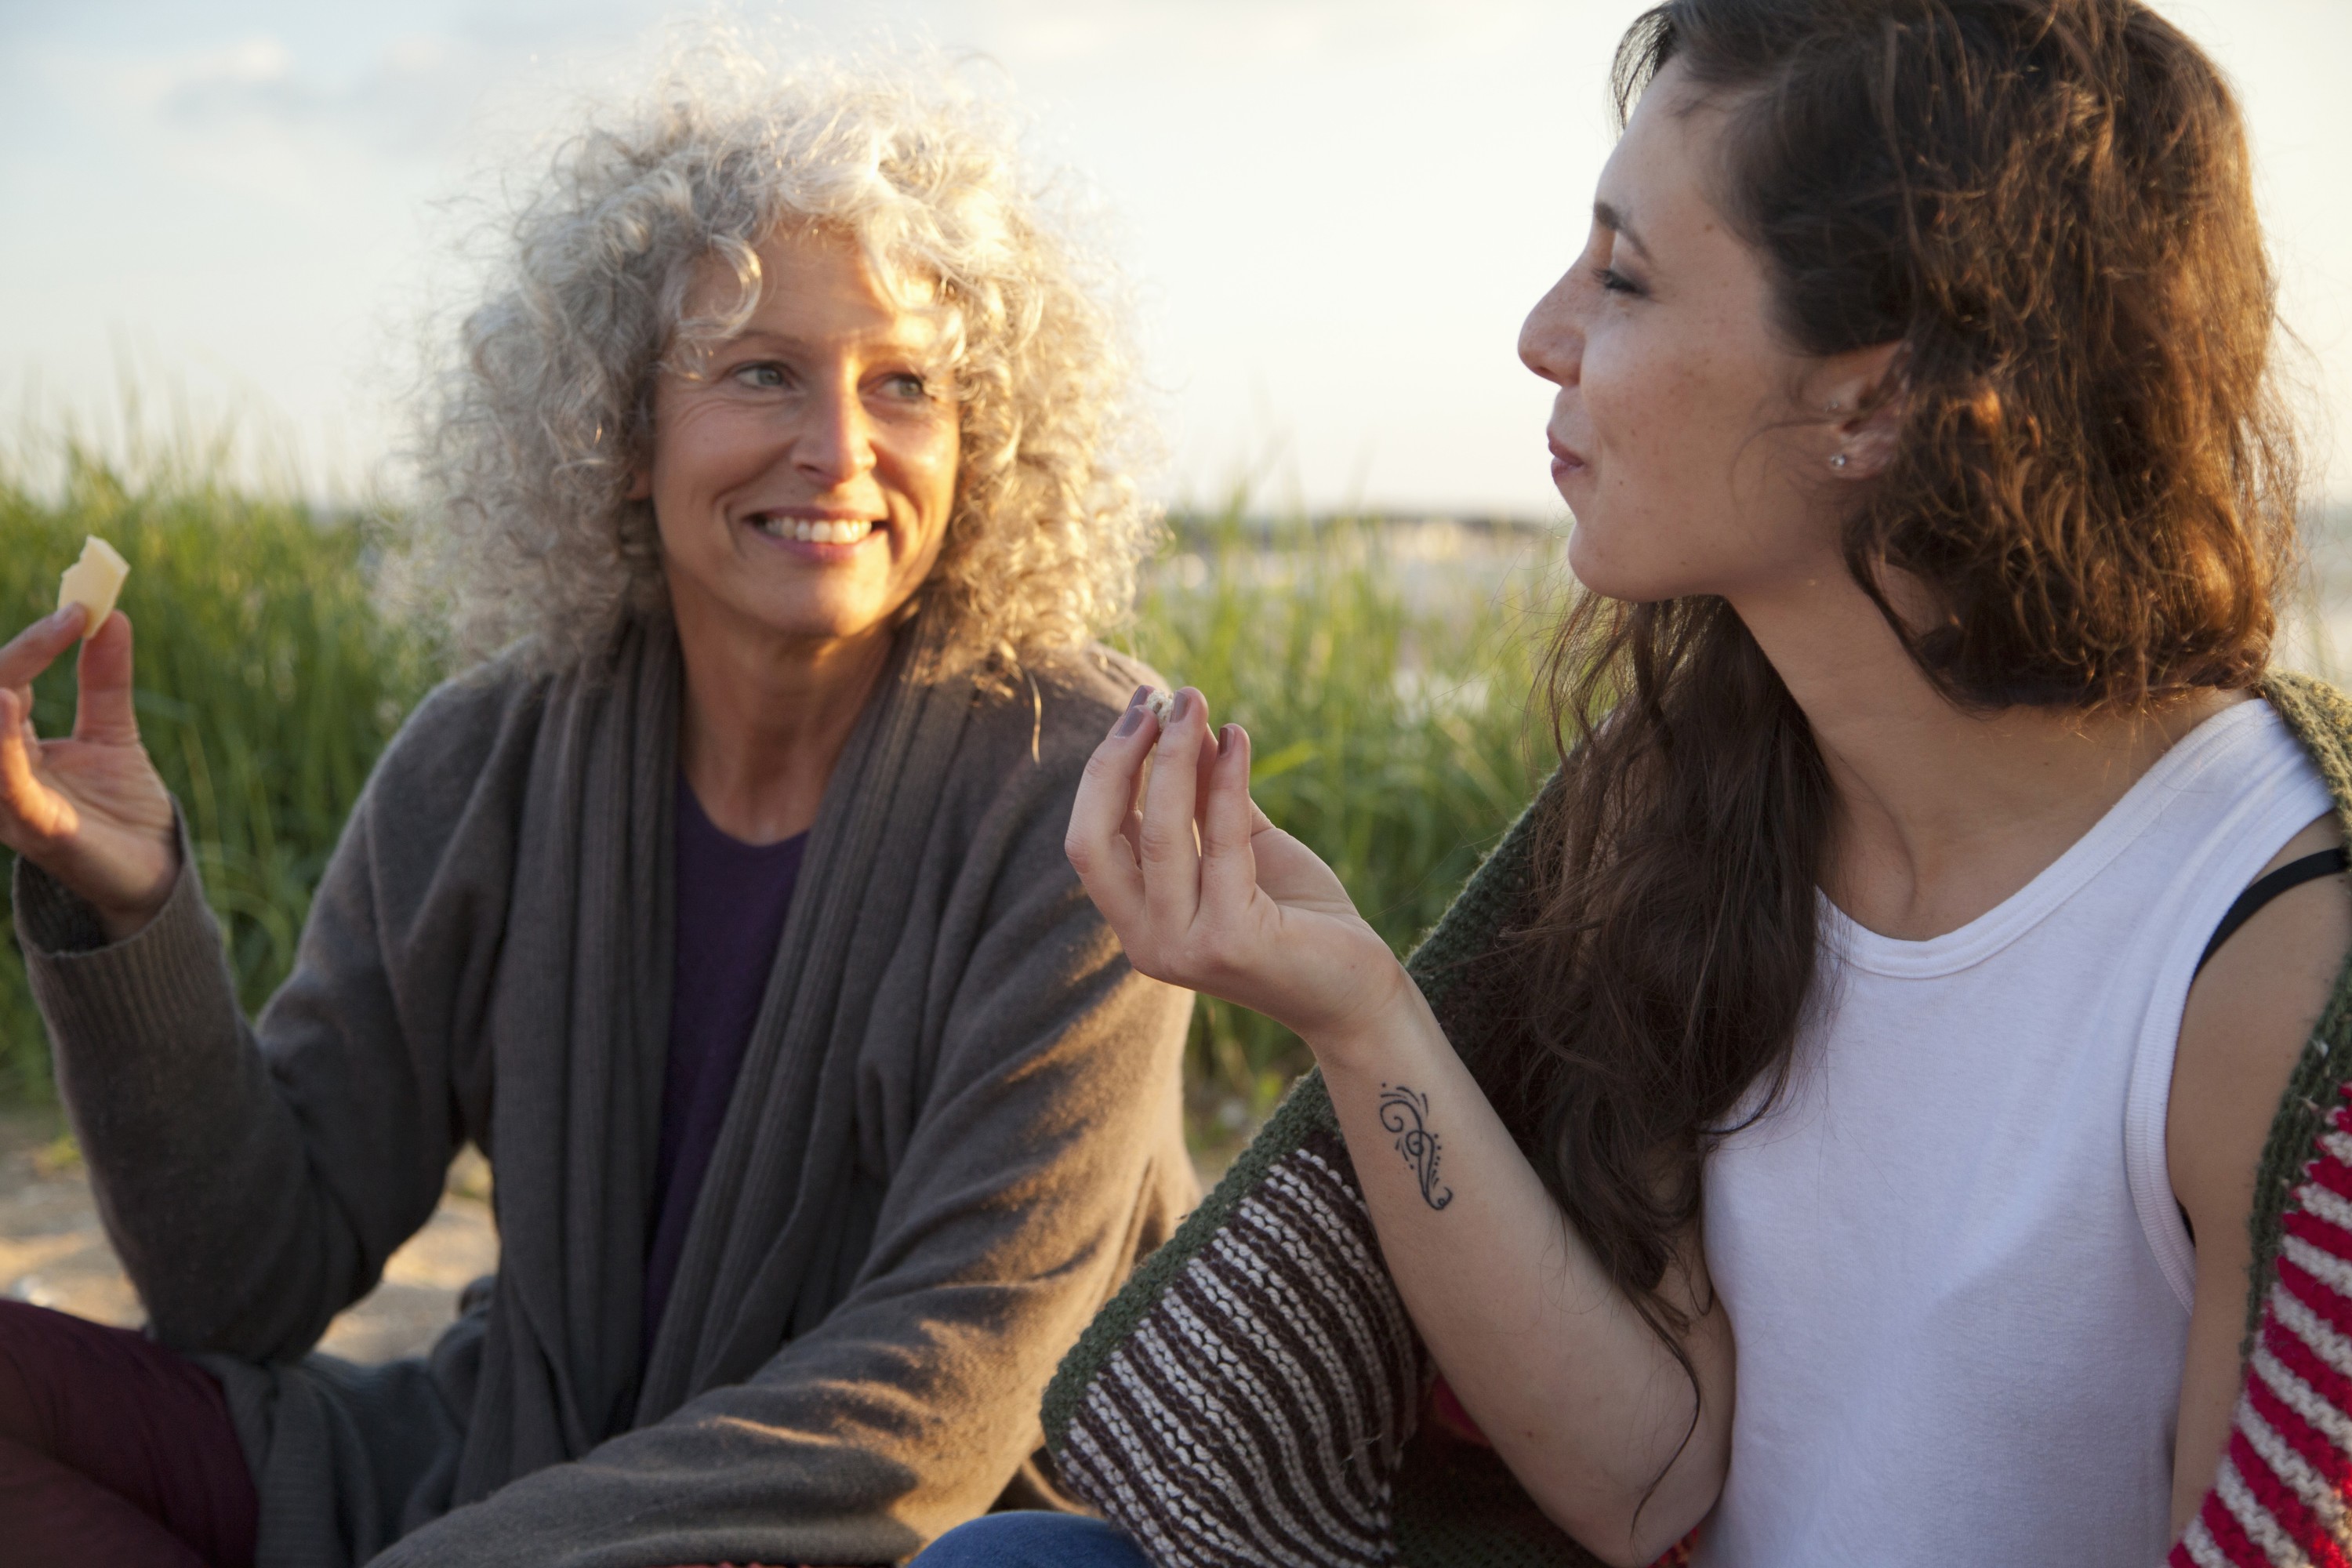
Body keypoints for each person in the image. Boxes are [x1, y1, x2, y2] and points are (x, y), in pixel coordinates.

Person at [921, 0, 2352, 1564]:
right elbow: (1650, 1479)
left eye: (1626, 276)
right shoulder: (1711, 791)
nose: (1544, 332)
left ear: (1874, 399)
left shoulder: (2266, 947)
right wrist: (1355, 1006)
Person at [0, 49, 1195, 1568]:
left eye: (907, 384)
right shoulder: (483, 758)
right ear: (623, 434)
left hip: (892, 1536)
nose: (840, 449)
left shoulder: (1087, 793)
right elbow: (246, 1288)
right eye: (761, 369)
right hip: (499, 1470)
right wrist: (128, 906)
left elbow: (943, 1402)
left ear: (983, 442)